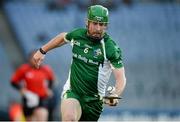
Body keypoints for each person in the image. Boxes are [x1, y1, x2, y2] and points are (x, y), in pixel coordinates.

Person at [33, 5, 126, 121]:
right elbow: (63, 37)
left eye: (102, 25)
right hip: (73, 92)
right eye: (95, 23)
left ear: (106, 26)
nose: (98, 28)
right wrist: (42, 50)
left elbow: (121, 78)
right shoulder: (78, 35)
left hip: (94, 102)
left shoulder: (110, 48)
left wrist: (115, 94)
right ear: (87, 22)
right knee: (69, 118)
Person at [10, 50, 55, 121]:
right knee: (30, 119)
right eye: (35, 58)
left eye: (39, 58)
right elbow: (13, 82)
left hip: (42, 98)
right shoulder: (24, 69)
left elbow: (51, 80)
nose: (37, 60)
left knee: (42, 117)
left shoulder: (46, 69)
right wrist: (21, 89)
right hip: (29, 98)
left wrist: (49, 89)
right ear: (30, 59)